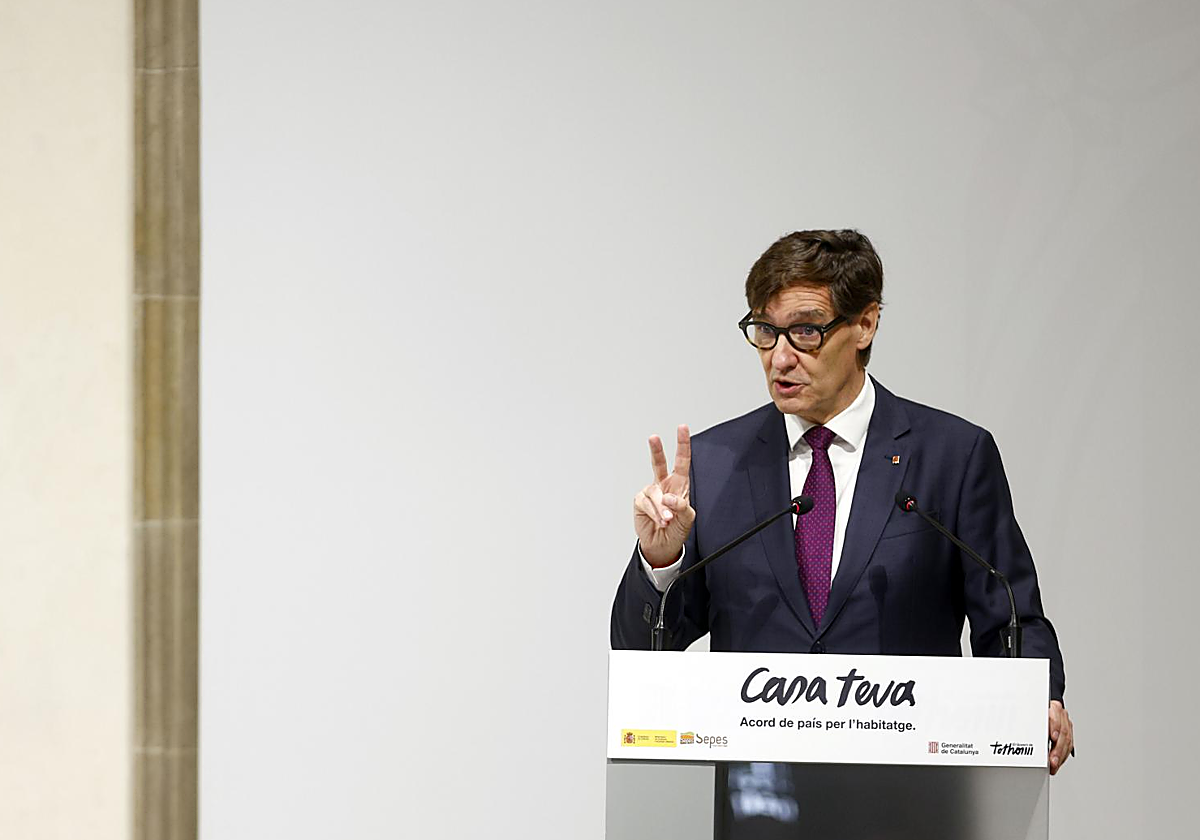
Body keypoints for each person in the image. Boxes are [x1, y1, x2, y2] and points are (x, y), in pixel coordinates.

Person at [610, 229, 1074, 774]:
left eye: (805, 331)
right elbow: (642, 655)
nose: (780, 358)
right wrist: (661, 560)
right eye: (766, 331)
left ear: (865, 324)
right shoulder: (716, 466)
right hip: (757, 791)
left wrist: (1039, 697)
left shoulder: (951, 456)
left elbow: (1012, 616)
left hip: (911, 792)